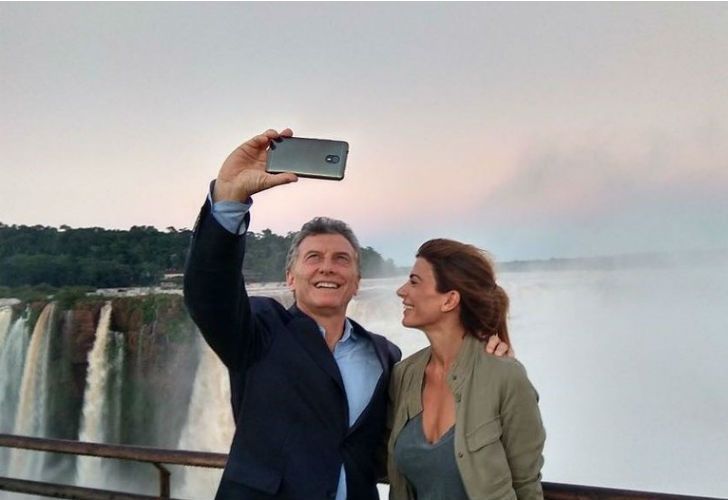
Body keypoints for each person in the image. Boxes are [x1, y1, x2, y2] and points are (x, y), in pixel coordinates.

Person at [184, 128, 510, 499]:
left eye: (342, 259)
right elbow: (208, 293)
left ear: (356, 281)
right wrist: (229, 199)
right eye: (314, 258)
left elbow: (421, 429)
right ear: (291, 277)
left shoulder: (385, 355)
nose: (328, 268)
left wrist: (481, 363)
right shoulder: (259, 330)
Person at [387, 239, 546, 500]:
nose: (402, 291)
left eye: (414, 282)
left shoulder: (505, 377)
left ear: (449, 300)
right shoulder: (404, 375)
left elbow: (527, 486)